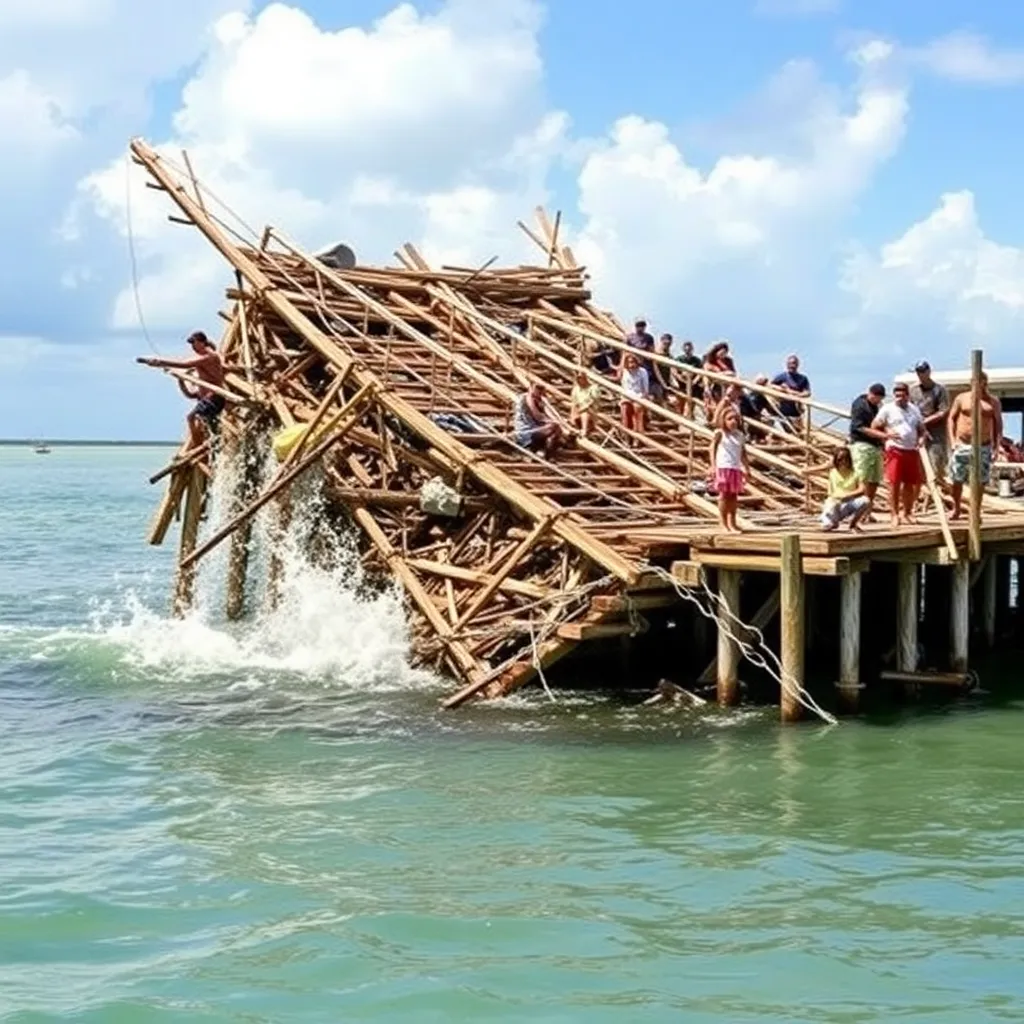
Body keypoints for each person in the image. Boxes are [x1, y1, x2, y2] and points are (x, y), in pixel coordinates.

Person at [137, 331, 228, 449]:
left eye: (193, 343)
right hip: (207, 399)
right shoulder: (202, 359)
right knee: (210, 428)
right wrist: (179, 378)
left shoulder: (210, 357)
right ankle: (211, 446)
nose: (192, 347)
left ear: (202, 342)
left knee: (192, 417)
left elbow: (184, 364)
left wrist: (159, 362)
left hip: (214, 398)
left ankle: (197, 445)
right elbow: (189, 393)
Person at [947, 372, 1003, 520]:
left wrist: (997, 447)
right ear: (971, 383)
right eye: (975, 382)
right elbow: (951, 418)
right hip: (963, 443)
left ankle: (976, 511)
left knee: (980, 480)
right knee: (956, 478)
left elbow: (998, 425)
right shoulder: (962, 398)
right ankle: (957, 508)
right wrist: (953, 440)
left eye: (982, 382)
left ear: (985, 383)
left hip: (983, 445)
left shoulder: (993, 402)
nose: (978, 385)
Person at [873, 380, 927, 526]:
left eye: (902, 395)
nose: (899, 398)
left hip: (911, 449)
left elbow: (922, 429)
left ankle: (908, 512)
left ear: (907, 396)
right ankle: (894, 514)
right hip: (895, 449)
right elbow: (875, 426)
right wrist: (887, 433)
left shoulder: (914, 409)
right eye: (897, 395)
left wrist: (921, 439)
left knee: (910, 483)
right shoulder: (887, 409)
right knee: (894, 483)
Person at [848, 383, 888, 512]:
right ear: (870, 393)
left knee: (874, 480)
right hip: (862, 444)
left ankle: (867, 510)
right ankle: (858, 510)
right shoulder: (860, 405)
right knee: (863, 479)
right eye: (877, 397)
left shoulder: (877, 407)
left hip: (875, 446)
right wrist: (881, 434)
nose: (878, 401)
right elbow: (858, 427)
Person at [710, 406, 749, 532]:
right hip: (723, 466)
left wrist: (746, 467)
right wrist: (713, 465)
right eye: (730, 419)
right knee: (724, 495)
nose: (733, 421)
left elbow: (743, 452)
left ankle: (732, 521)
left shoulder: (739, 435)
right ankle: (723, 522)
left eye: (735, 419)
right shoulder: (720, 433)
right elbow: (712, 449)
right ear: (724, 420)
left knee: (733, 496)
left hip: (735, 467)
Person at [909, 360, 950, 483]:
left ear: (929, 371)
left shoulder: (940, 390)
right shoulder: (913, 390)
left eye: (923, 371)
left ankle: (937, 492)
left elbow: (943, 412)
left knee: (935, 463)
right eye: (918, 372)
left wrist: (924, 421)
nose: (921, 374)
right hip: (917, 432)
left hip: (935, 433)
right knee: (917, 466)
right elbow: (909, 408)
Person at [820, 446, 870, 532]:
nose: (843, 462)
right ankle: (831, 522)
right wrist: (826, 465)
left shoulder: (856, 473)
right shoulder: (832, 471)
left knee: (865, 500)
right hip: (834, 502)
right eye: (840, 459)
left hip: (848, 502)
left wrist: (848, 495)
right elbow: (808, 471)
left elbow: (862, 489)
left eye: (845, 459)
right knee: (830, 509)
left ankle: (853, 524)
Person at [513, 382, 563, 457]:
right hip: (526, 430)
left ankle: (546, 451)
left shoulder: (540, 400)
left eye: (541, 388)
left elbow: (549, 413)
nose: (539, 390)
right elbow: (537, 416)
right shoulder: (527, 398)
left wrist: (557, 421)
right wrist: (551, 421)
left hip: (535, 427)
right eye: (537, 388)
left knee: (557, 429)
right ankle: (542, 451)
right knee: (553, 427)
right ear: (531, 388)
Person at [771, 354, 810, 431]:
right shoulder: (782, 376)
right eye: (789, 364)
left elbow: (807, 393)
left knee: (796, 434)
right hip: (782, 412)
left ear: (797, 365)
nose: (791, 366)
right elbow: (770, 385)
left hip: (796, 413)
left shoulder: (802, 378)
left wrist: (794, 393)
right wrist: (781, 389)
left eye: (793, 363)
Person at [619, 352, 650, 435]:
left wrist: (644, 398)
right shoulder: (624, 371)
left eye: (633, 362)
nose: (631, 364)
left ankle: (638, 434)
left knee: (637, 408)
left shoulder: (643, 372)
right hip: (627, 396)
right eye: (629, 362)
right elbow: (619, 378)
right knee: (625, 408)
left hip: (639, 396)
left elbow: (645, 389)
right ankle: (626, 434)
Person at [673, 340, 703, 418]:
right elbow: (674, 370)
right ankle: (680, 416)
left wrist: (694, 381)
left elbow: (700, 372)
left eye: (689, 348)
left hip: (694, 384)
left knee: (693, 400)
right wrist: (681, 378)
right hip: (681, 383)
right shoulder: (679, 359)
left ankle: (690, 414)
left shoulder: (697, 360)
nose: (688, 350)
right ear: (683, 349)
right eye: (686, 348)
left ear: (692, 349)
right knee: (681, 400)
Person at [569, 370, 601, 438]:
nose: (579, 380)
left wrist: (585, 407)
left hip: (592, 411)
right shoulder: (576, 389)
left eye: (580, 378)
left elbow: (593, 401)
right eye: (577, 378)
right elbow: (575, 403)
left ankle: (584, 431)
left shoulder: (593, 388)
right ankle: (574, 426)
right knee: (574, 408)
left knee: (585, 413)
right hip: (580, 410)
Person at [649, 333, 674, 404]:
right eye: (665, 343)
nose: (667, 345)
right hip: (656, 381)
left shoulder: (669, 355)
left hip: (665, 381)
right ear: (661, 341)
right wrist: (663, 384)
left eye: (669, 343)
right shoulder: (656, 354)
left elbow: (671, 371)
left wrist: (669, 383)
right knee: (657, 400)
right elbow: (656, 370)